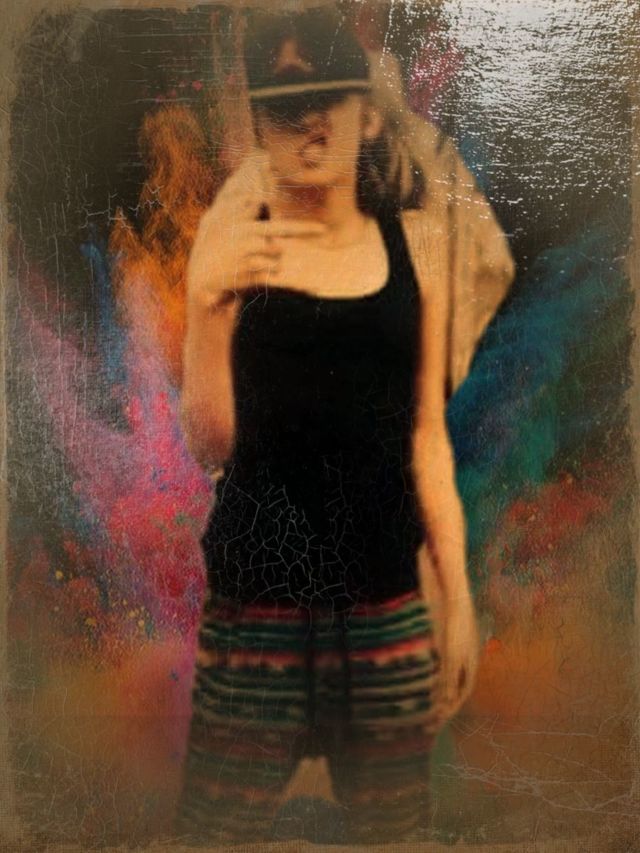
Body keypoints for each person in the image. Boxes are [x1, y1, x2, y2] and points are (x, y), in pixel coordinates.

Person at [173, 7, 515, 845]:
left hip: (385, 603)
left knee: (393, 833)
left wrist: (457, 599)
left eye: (329, 96)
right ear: (262, 124)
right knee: (216, 834)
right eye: (287, 104)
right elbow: (211, 447)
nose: (312, 123)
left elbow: (426, 437)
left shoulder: (418, 246)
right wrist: (205, 305)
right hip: (258, 604)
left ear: (367, 114)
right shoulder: (233, 242)